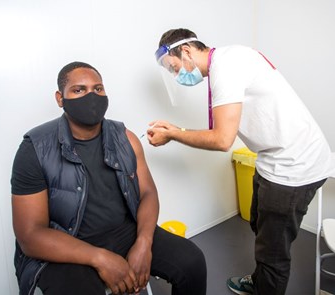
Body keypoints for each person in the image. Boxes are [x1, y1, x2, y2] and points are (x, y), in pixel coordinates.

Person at [148, 28, 335, 295]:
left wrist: (173, 135)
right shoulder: (227, 59)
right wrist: (177, 130)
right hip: (273, 159)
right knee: (258, 220)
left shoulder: (226, 67)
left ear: (186, 51)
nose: (176, 75)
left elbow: (223, 139)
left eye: (173, 67)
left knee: (273, 252)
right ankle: (259, 282)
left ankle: (266, 286)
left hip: (294, 166)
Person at [11, 61, 207, 295]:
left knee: (192, 262)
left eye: (98, 89)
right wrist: (100, 258)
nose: (91, 96)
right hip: (68, 242)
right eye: (79, 90)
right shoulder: (35, 148)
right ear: (60, 98)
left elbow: (147, 193)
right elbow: (30, 235)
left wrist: (144, 243)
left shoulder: (125, 137)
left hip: (124, 232)